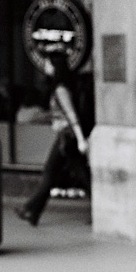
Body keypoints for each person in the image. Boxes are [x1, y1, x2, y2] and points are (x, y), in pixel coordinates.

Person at [17, 51, 90, 226]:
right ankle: (32, 211)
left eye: (48, 64)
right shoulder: (60, 87)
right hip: (67, 136)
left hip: (67, 137)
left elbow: (71, 114)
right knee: (81, 175)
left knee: (51, 172)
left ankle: (31, 209)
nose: (45, 67)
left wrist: (81, 139)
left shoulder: (61, 89)